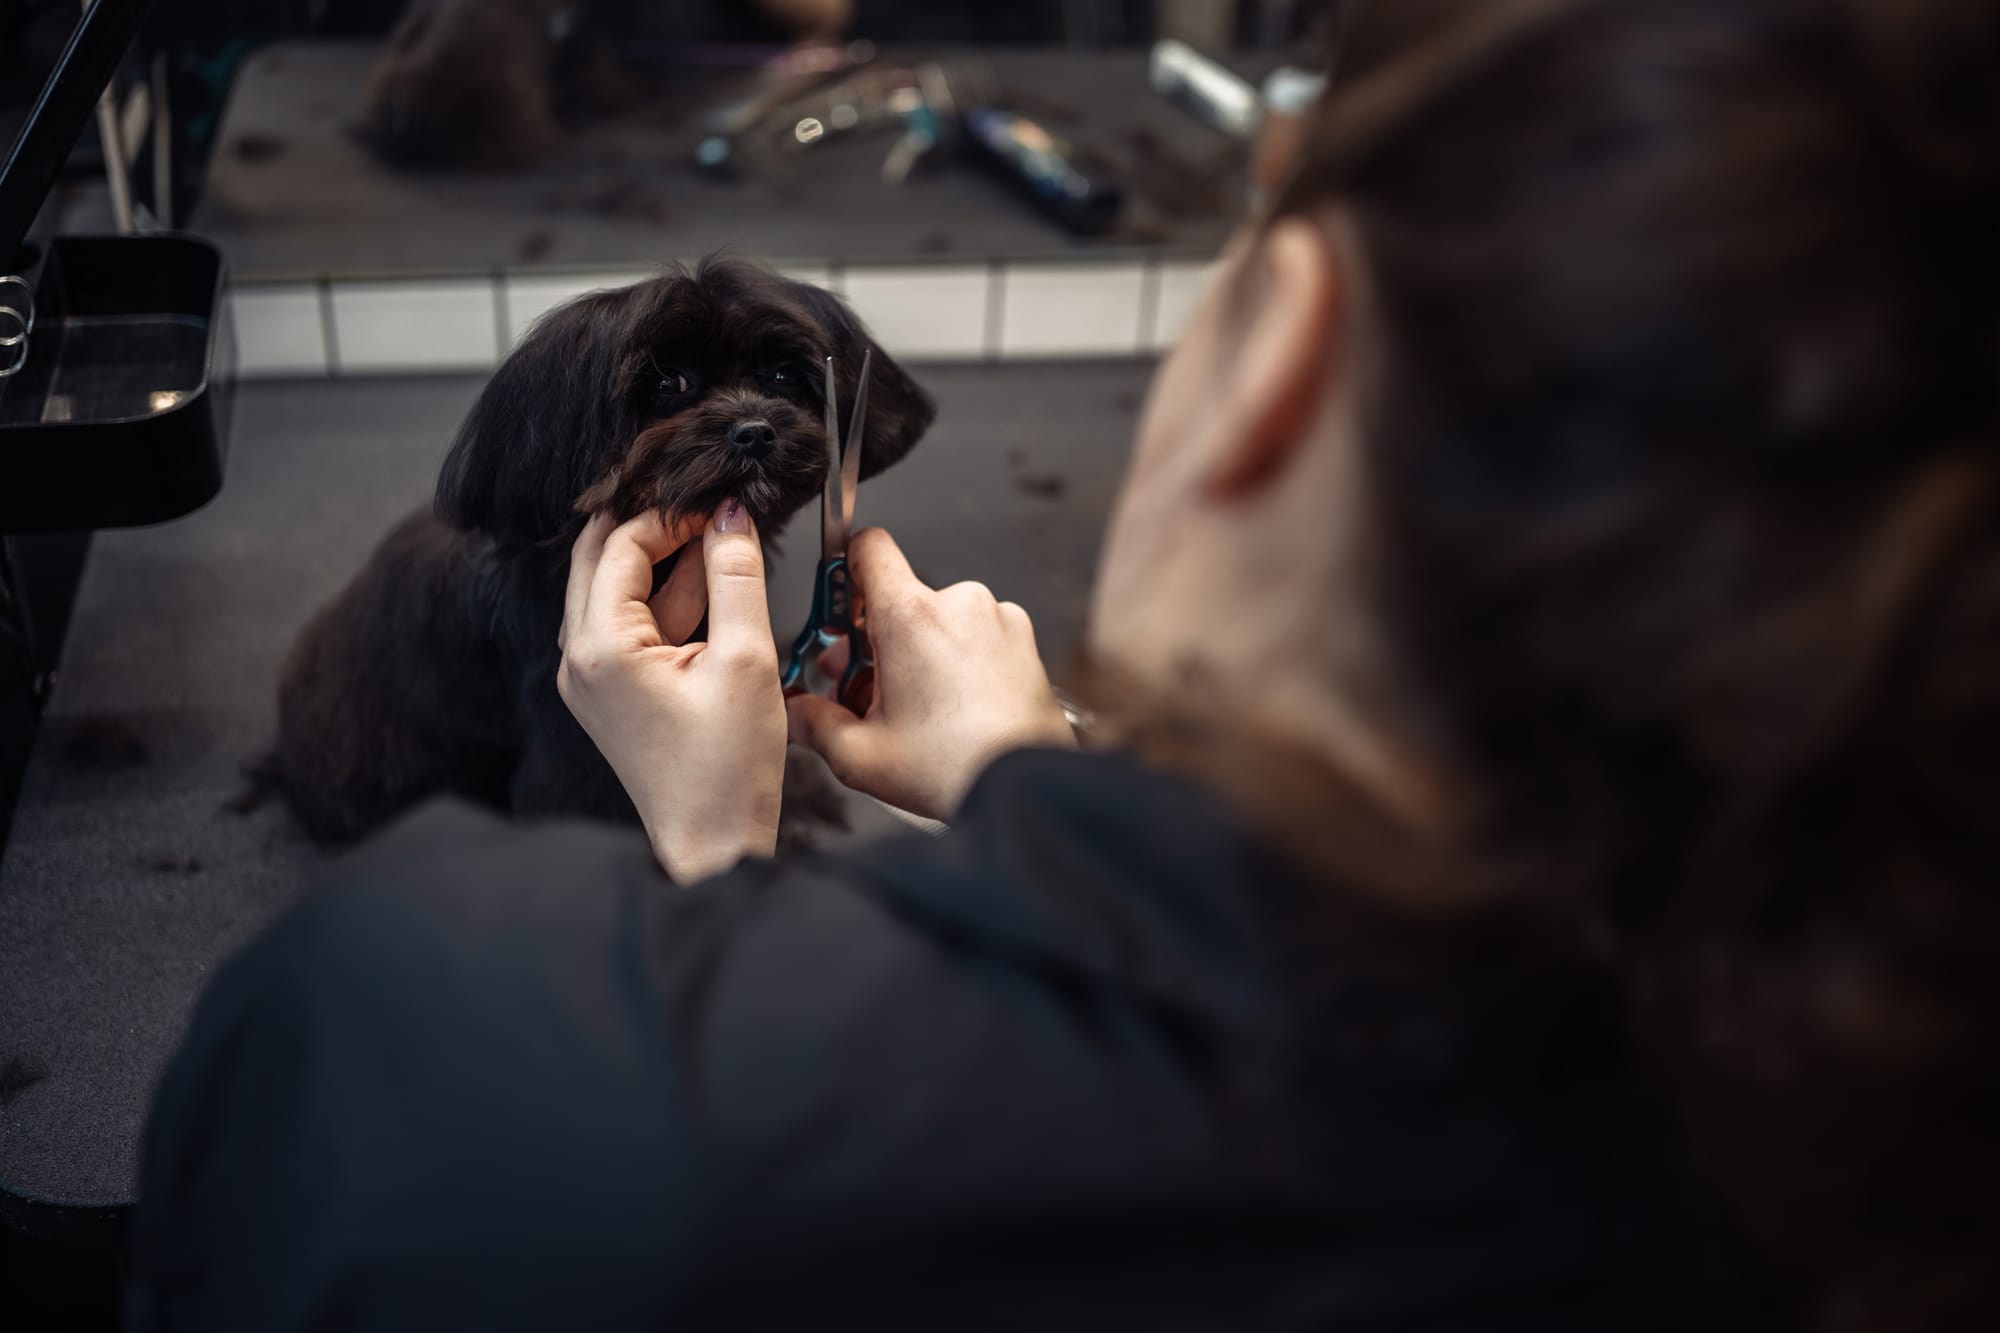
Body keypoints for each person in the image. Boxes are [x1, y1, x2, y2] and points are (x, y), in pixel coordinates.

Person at [131, 0, 1999, 1328]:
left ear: (1278, 362)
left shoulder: (399, 1041)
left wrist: (712, 883)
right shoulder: (1862, 1146)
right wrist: (1037, 780)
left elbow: (715, 1196)